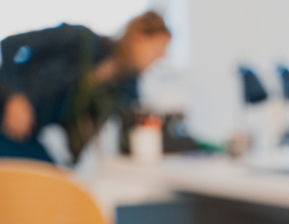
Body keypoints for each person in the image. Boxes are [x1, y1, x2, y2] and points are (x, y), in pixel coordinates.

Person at [0, 11, 171, 164]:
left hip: (24, 135)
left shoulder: (125, 88)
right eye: (157, 50)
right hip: (5, 114)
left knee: (57, 182)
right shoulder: (79, 39)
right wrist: (15, 97)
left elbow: (130, 127)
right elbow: (9, 45)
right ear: (138, 37)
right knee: (46, 184)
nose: (160, 59)